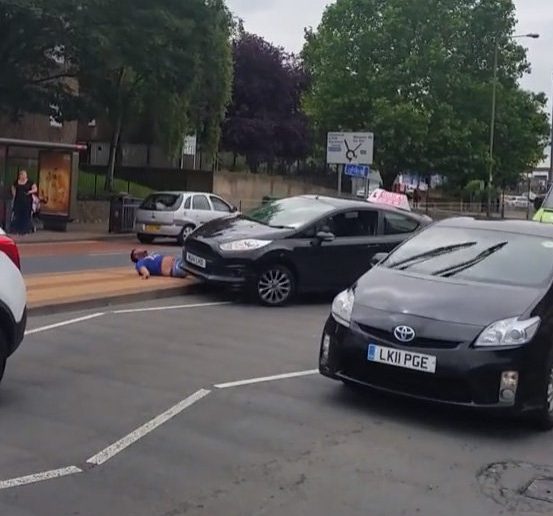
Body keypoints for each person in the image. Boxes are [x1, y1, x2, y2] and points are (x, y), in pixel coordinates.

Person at [11, 170, 37, 235]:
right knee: (17, 215)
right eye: (22, 175)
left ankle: (24, 230)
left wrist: (29, 192)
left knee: (26, 216)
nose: (24, 176)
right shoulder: (17, 182)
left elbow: (35, 189)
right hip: (18, 201)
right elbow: (13, 187)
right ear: (20, 176)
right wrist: (14, 194)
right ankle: (17, 230)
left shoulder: (30, 182)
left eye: (25, 175)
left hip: (27, 202)